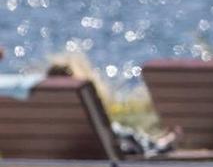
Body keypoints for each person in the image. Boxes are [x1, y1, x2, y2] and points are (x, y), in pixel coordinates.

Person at [44, 62, 180, 157]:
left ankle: (160, 141)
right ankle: (162, 143)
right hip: (98, 146)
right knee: (126, 135)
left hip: (69, 152)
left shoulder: (45, 111)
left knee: (123, 134)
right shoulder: (78, 101)